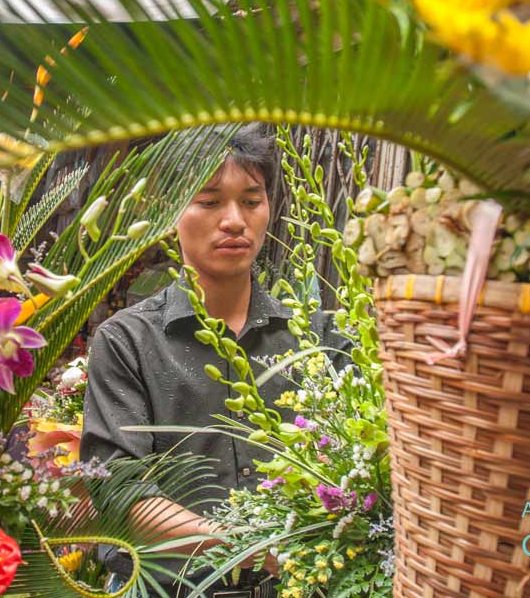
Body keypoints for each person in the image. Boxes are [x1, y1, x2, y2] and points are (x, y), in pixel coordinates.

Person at [80, 125, 350, 598]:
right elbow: (121, 494)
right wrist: (258, 549)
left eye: (251, 200)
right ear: (169, 212)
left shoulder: (318, 337)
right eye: (209, 201)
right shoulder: (127, 341)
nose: (234, 220)